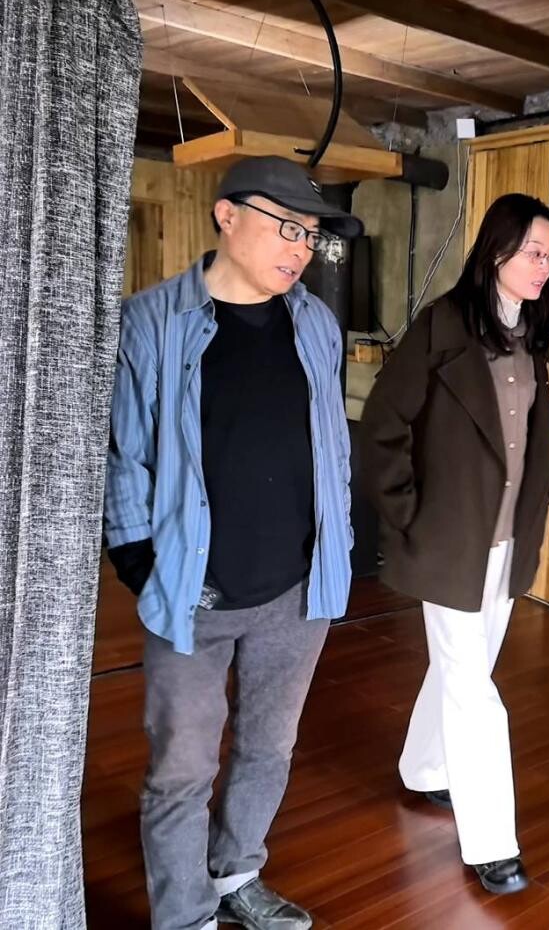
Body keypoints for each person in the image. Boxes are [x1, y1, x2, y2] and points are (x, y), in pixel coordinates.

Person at [104, 156, 359, 930]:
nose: (300, 248)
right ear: (226, 215)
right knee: (181, 768)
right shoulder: (151, 321)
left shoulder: (315, 323)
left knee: (268, 748)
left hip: (297, 590)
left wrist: (339, 540)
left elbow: (332, 447)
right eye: (287, 227)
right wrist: (140, 560)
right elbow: (124, 453)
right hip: (192, 590)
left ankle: (235, 874)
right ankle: (184, 917)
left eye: (310, 235)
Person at [358, 193, 549, 895]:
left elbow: (532, 435)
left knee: (462, 668)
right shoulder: (441, 326)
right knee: (475, 690)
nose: (544, 265)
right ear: (497, 250)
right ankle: (492, 843)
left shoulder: (530, 331)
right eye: (534, 251)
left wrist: (542, 493)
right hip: (449, 540)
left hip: (505, 539)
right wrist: (408, 515)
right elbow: (382, 426)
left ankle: (423, 768)